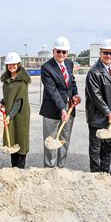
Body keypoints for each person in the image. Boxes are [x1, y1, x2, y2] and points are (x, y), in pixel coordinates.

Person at [85, 39, 111, 176]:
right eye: (106, 53)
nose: (109, 56)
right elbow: (95, 96)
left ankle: (105, 171)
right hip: (97, 116)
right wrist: (107, 112)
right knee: (96, 147)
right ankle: (95, 174)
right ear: (100, 53)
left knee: (107, 145)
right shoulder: (94, 72)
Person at [40, 36, 81, 168]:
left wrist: (75, 94)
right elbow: (52, 91)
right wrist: (62, 108)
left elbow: (71, 82)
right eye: (59, 51)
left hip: (69, 109)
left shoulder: (69, 63)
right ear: (53, 51)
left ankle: (61, 167)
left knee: (64, 140)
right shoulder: (47, 67)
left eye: (64, 52)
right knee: (51, 141)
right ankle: (50, 169)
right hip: (52, 110)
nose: (61, 54)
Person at [0, 52, 31, 168]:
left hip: (20, 114)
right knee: (12, 136)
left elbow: (19, 101)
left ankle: (20, 167)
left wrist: (9, 116)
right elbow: (9, 96)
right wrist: (2, 102)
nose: (11, 66)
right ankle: (14, 167)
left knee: (21, 136)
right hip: (10, 114)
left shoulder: (22, 81)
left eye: (14, 64)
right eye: (9, 64)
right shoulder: (7, 80)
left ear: (18, 64)